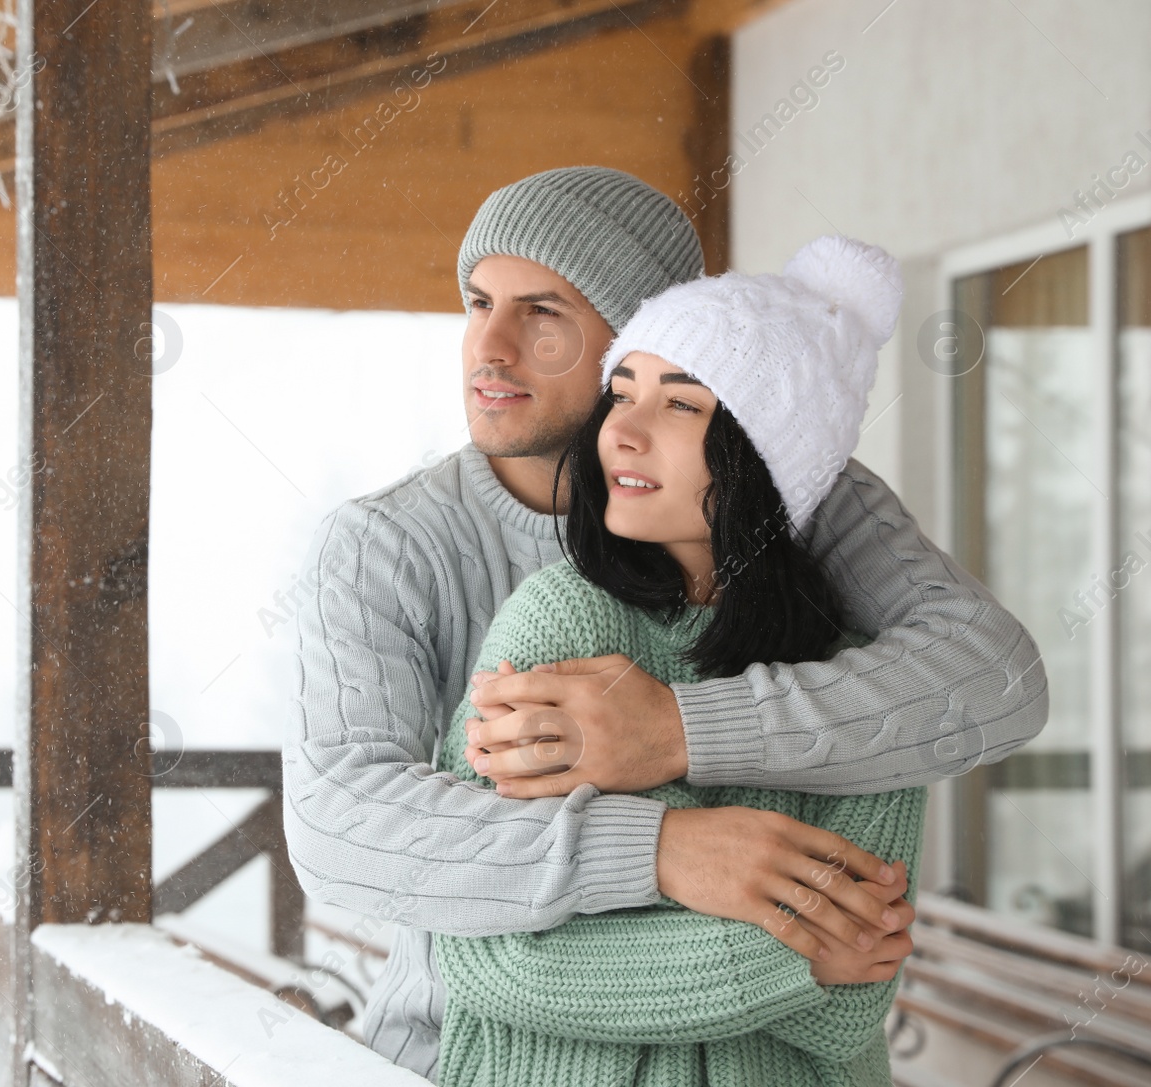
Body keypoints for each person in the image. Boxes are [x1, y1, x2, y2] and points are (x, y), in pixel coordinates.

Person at [281, 166, 1047, 1082]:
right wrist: (661, 850)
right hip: (471, 1049)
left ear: (648, 328)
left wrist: (679, 732)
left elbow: (994, 681)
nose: (489, 345)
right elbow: (340, 825)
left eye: (544, 311)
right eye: (479, 302)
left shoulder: (799, 499)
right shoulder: (386, 546)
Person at [431, 235, 926, 1087]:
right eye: (621, 392)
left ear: (766, 452)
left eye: (680, 405)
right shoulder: (560, 624)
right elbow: (489, 955)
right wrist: (791, 952)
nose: (621, 429)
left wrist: (626, 940)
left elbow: (854, 998)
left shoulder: (858, 688)